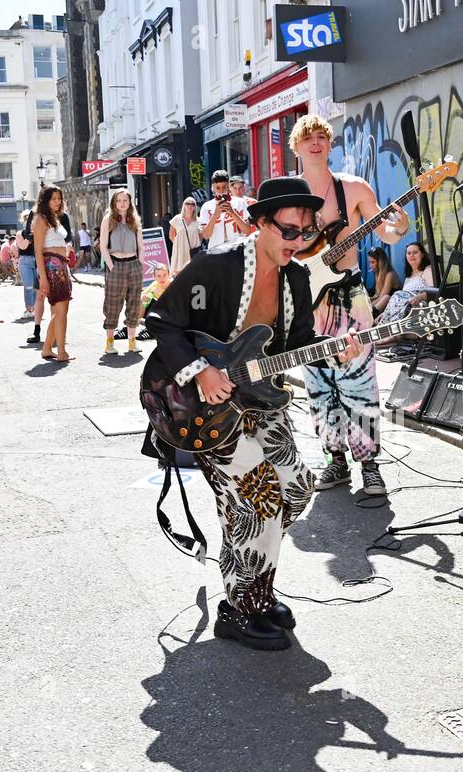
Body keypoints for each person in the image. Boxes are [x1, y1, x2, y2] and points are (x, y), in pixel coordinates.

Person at [144, 177, 361, 651]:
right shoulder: (217, 267)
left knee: (298, 488)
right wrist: (201, 372)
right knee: (259, 500)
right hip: (203, 406)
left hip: (261, 398)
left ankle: (250, 577)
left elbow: (298, 343)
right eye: (287, 231)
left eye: (304, 234)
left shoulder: (297, 279)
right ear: (260, 223)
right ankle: (241, 607)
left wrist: (335, 350)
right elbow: (161, 318)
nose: (296, 242)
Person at [292, 113, 409, 497]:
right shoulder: (287, 192)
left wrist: (400, 229)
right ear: (296, 146)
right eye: (307, 137)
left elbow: (384, 229)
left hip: (350, 297)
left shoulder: (354, 188)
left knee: (359, 381)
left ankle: (370, 464)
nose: (315, 142)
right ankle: (335, 461)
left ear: (330, 145)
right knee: (319, 384)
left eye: (321, 136)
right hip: (305, 303)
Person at [98, 188, 145, 355]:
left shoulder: (135, 220)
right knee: (112, 303)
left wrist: (140, 263)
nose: (122, 203)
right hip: (115, 264)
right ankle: (109, 342)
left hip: (133, 264)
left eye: (125, 200)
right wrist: (110, 266)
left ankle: (132, 341)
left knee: (134, 303)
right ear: (114, 202)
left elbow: (141, 245)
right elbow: (102, 245)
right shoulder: (108, 220)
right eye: (119, 200)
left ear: (129, 202)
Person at [33, 185, 74, 362]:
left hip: (61, 265)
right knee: (61, 309)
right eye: (53, 199)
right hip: (52, 266)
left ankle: (47, 348)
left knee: (61, 309)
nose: (57, 202)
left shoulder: (55, 218)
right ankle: (62, 351)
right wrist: (42, 277)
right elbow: (37, 250)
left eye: (59, 198)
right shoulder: (41, 219)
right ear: (45, 200)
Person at [379, 241, 437, 323]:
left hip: (419, 309)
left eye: (415, 252)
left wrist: (419, 297)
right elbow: (399, 301)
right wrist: (385, 313)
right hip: (405, 311)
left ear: (422, 254)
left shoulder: (427, 270)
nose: (411, 255)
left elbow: (434, 292)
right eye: (409, 253)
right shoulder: (408, 277)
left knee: (397, 294)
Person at [199, 169, 254, 249]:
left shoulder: (241, 202)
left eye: (224, 187)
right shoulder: (206, 206)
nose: (221, 191)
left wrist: (232, 213)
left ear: (228, 186)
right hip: (215, 252)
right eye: (218, 188)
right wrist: (215, 215)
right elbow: (206, 236)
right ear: (213, 188)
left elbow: (247, 230)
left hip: (237, 250)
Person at [168, 196, 200, 274]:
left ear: (195, 207)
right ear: (183, 205)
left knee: (194, 273)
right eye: (187, 203)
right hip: (180, 251)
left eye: (192, 204)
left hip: (193, 251)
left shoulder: (199, 221)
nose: (190, 206)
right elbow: (171, 235)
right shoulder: (177, 219)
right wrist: (178, 245)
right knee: (179, 275)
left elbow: (201, 237)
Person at [368, 246, 401, 316]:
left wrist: (366, 308)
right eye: (369, 262)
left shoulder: (390, 275)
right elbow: (376, 296)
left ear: (380, 263)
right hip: (382, 309)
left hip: (392, 309)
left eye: (372, 262)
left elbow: (381, 298)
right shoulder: (377, 274)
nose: (370, 266)